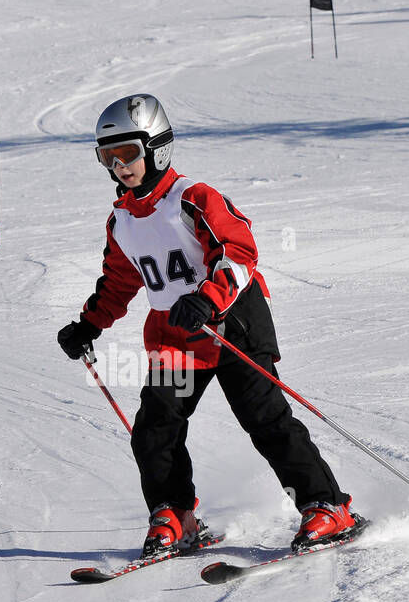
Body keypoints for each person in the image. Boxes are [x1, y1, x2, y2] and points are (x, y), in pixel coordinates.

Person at [57, 94, 365, 557]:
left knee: (264, 419)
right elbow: (119, 280)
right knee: (155, 427)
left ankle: (324, 505)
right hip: (176, 335)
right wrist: (88, 325)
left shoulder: (193, 198)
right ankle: (173, 515)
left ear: (157, 148)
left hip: (233, 322)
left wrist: (208, 298)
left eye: (129, 153)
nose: (120, 166)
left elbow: (239, 251)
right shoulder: (122, 219)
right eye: (108, 156)